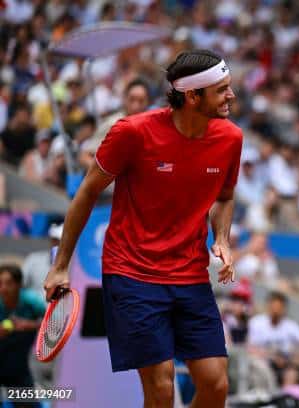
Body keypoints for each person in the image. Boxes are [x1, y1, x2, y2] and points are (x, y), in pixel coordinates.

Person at [43, 50, 242, 408]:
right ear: (192, 96)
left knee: (215, 385)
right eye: (222, 90)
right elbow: (87, 192)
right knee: (162, 387)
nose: (231, 96)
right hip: (132, 273)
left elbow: (225, 198)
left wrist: (223, 239)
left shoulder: (230, 138)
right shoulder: (132, 132)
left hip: (190, 274)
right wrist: (61, 265)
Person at [0, 264, 46, 398]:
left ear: (19, 285)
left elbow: (52, 321)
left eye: (9, 283)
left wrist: (29, 325)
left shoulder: (31, 301)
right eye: (0, 283)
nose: (3, 288)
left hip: (20, 368)